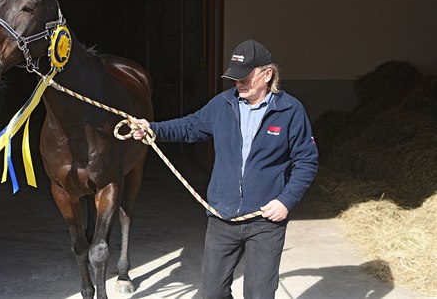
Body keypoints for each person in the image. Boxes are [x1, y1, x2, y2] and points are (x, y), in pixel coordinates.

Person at [131, 39, 319, 299]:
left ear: (267, 74)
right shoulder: (222, 105)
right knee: (212, 293)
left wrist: (285, 201)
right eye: (234, 77)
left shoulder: (290, 111)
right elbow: (189, 126)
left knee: (259, 294)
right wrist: (152, 128)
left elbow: (306, 161)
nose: (238, 83)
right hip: (223, 216)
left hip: (265, 221)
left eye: (245, 77)